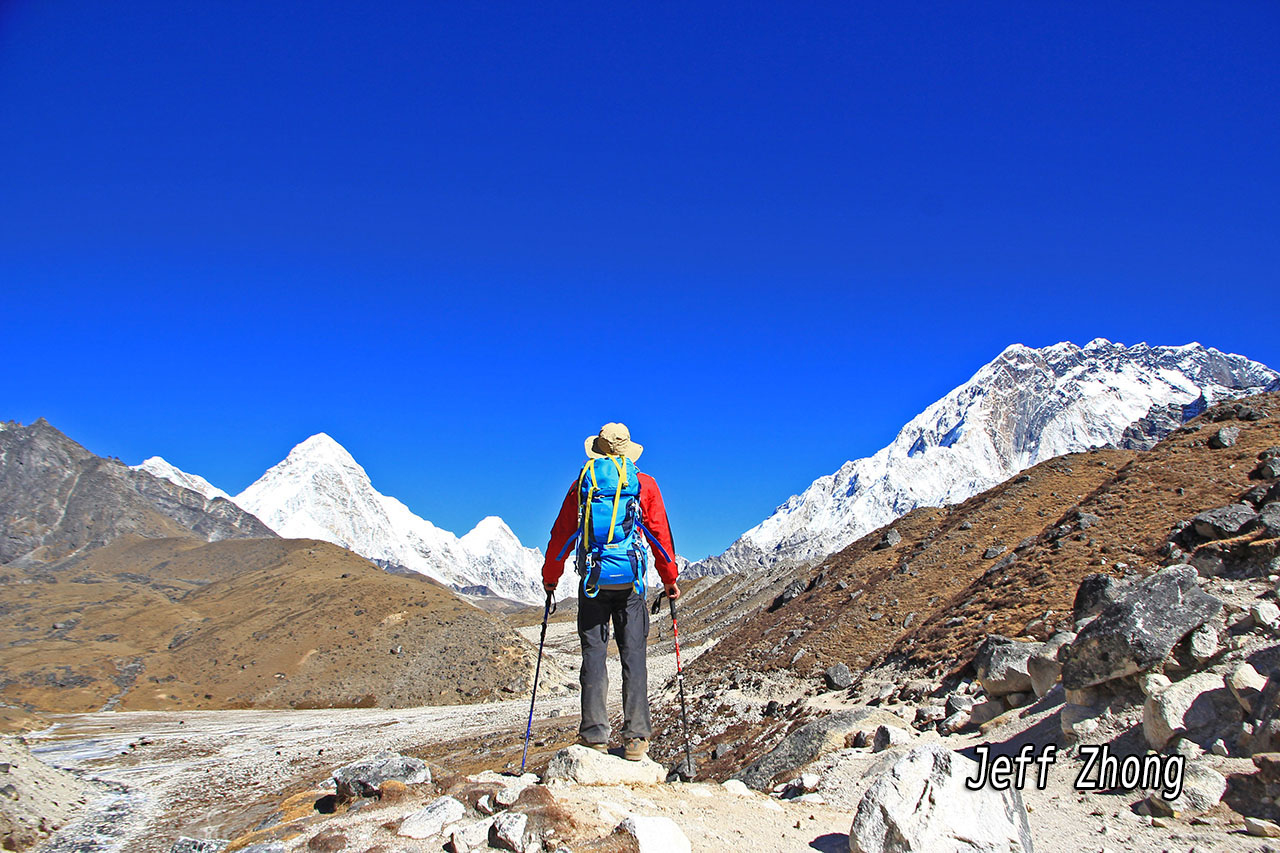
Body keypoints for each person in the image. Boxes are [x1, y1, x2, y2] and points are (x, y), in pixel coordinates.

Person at [542, 422, 679, 761]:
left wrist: (551, 576)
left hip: (593, 582)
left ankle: (594, 735)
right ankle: (636, 739)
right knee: (634, 658)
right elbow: (660, 535)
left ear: (598, 451)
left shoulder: (583, 485)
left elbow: (561, 535)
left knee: (593, 656)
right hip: (631, 584)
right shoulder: (644, 485)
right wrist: (669, 579)